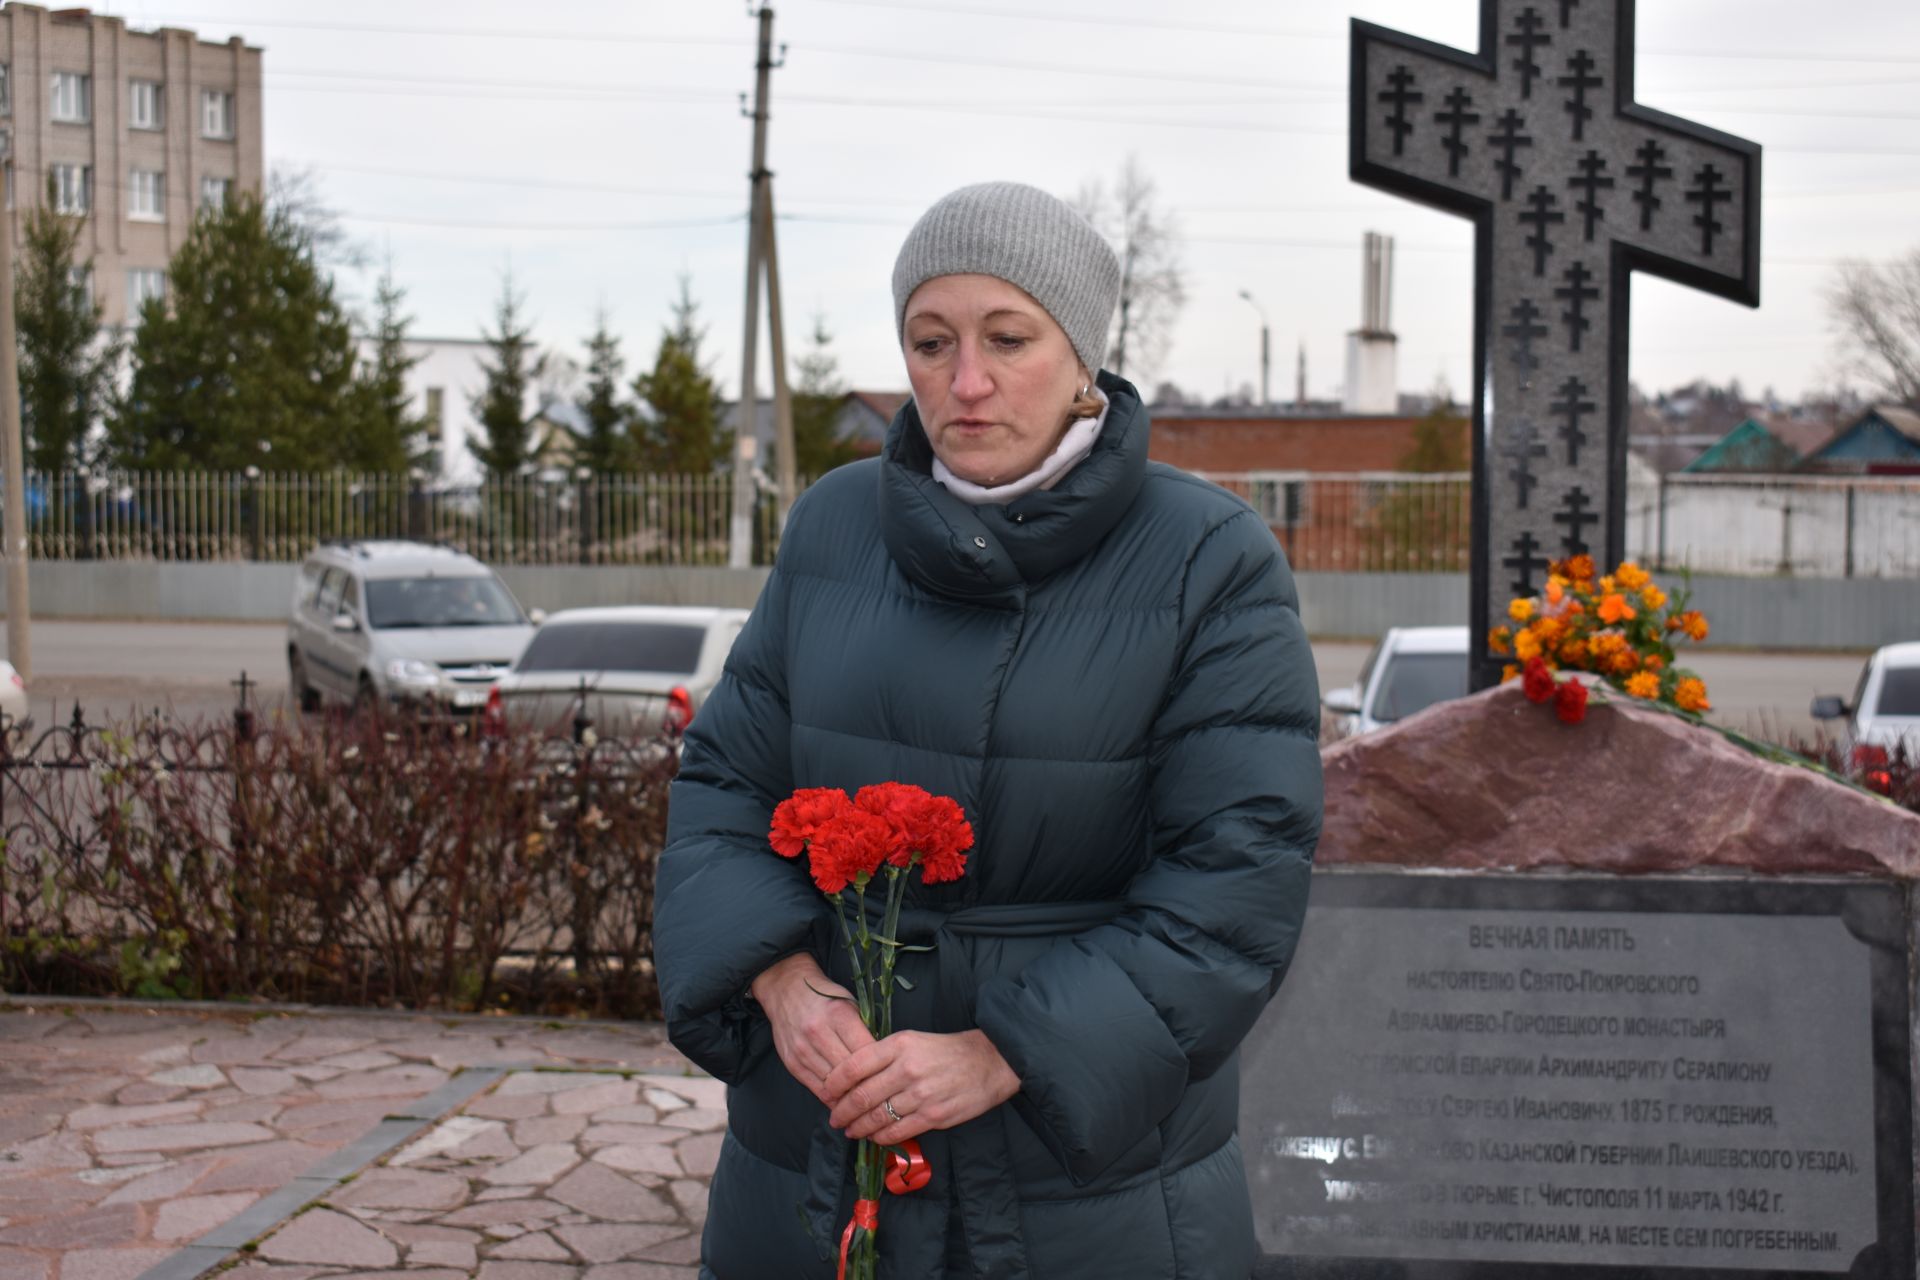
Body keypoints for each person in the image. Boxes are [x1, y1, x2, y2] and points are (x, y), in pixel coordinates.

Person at [653, 181, 1322, 1279]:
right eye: (930, 340)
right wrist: (774, 973)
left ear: (1082, 354)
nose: (964, 382)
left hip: (1081, 1185)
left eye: (1008, 337)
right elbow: (724, 784)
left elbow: (1236, 874)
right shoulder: (832, 526)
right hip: (817, 1152)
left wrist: (1005, 1050)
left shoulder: (1208, 556)